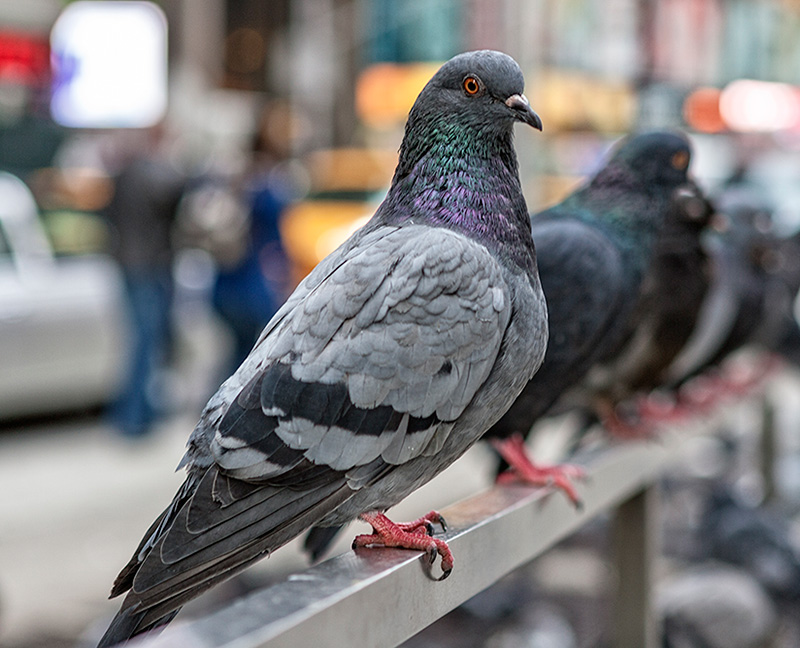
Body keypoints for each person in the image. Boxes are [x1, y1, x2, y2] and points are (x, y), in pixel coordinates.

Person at [103, 125, 185, 437]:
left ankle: (140, 412)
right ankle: (135, 418)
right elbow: (173, 195)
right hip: (147, 266)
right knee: (146, 341)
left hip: (129, 263)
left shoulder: (123, 174)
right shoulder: (151, 173)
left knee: (141, 340)